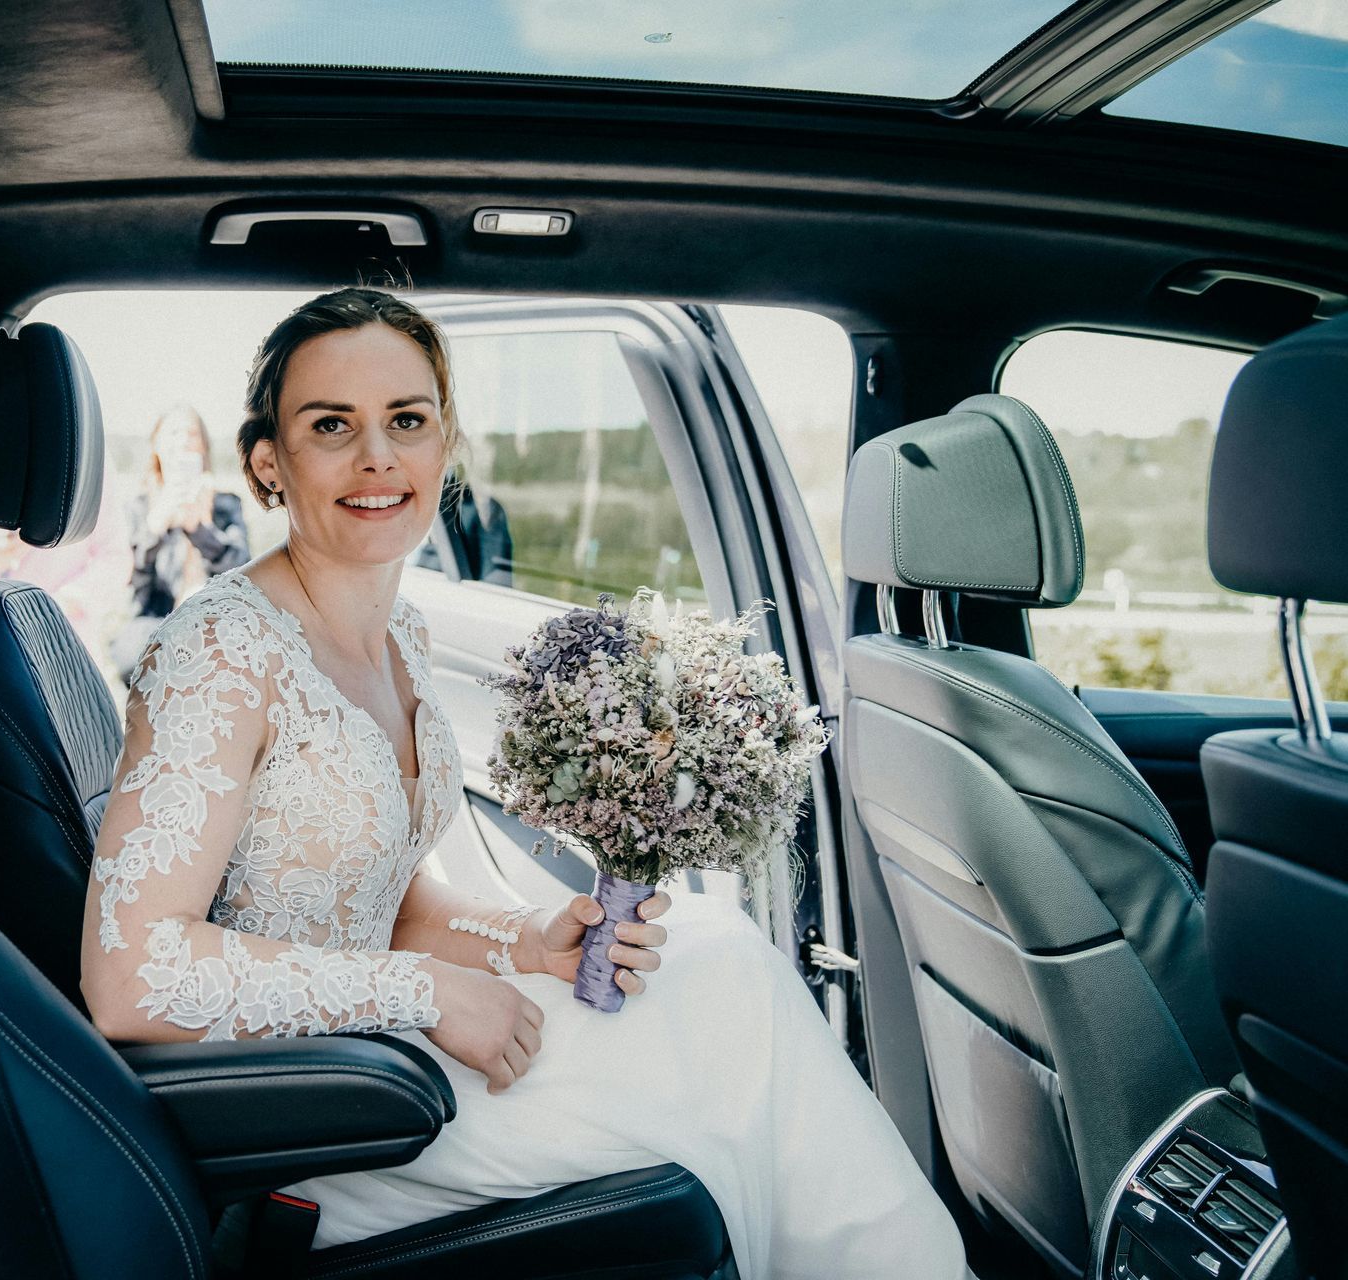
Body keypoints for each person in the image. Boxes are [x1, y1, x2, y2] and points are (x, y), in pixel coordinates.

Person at [80, 289, 969, 1278]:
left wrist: (528, 939)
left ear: (444, 446)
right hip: (324, 1112)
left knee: (719, 956)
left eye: (407, 421)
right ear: (267, 462)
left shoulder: (401, 638)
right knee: (736, 1028)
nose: (378, 456)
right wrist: (424, 992)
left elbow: (384, 897)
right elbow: (132, 976)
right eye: (332, 425)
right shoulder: (220, 649)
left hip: (383, 1043)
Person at [110, 405, 250, 679]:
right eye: (173, 433)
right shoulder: (139, 508)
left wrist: (200, 529)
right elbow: (130, 583)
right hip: (155, 617)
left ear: (204, 447)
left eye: (192, 433)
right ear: (157, 446)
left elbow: (244, 571)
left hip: (216, 616)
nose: (183, 440)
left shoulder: (226, 504)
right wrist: (155, 528)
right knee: (135, 654)